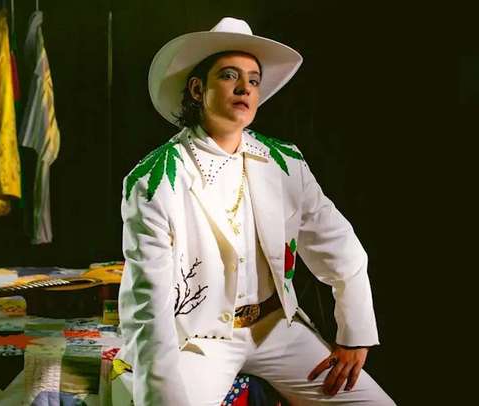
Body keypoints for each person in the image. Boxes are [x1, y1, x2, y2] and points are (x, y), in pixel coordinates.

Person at [112, 17, 395, 406]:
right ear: (197, 89)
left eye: (254, 80)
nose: (245, 87)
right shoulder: (155, 179)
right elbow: (149, 304)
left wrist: (354, 334)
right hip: (201, 338)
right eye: (229, 75)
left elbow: (340, 246)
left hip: (276, 329)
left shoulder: (285, 162)